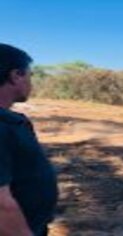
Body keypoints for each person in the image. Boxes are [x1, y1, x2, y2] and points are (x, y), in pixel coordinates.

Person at [0, 43, 58, 236]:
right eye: (29, 75)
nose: (31, 83)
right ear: (16, 75)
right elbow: (1, 205)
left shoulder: (13, 121)